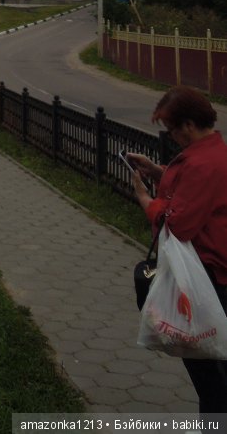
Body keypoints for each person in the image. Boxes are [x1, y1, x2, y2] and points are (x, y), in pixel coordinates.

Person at [129, 86, 227, 416]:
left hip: (208, 279)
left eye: (172, 129)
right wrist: (158, 172)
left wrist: (146, 200)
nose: (171, 136)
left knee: (211, 378)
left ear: (188, 124)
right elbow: (193, 195)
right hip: (209, 274)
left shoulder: (203, 164)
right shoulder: (210, 154)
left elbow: (180, 224)